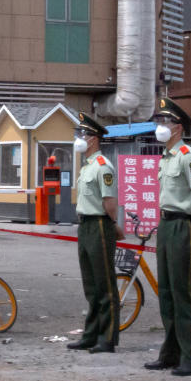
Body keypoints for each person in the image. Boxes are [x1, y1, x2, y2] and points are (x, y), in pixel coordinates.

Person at [145, 97, 191, 376]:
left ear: (178, 127)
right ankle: (170, 354)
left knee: (183, 294)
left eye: (165, 121)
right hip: (166, 226)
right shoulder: (166, 157)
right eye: (159, 121)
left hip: (183, 227)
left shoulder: (188, 156)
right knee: (167, 294)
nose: (160, 126)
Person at [67, 111, 121, 354]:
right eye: (79, 132)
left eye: (83, 133)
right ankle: (90, 335)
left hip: (99, 224)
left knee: (105, 284)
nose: (79, 137)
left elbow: (109, 201)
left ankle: (107, 338)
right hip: (86, 225)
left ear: (94, 138)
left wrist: (114, 224)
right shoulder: (87, 165)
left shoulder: (102, 166)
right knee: (91, 285)